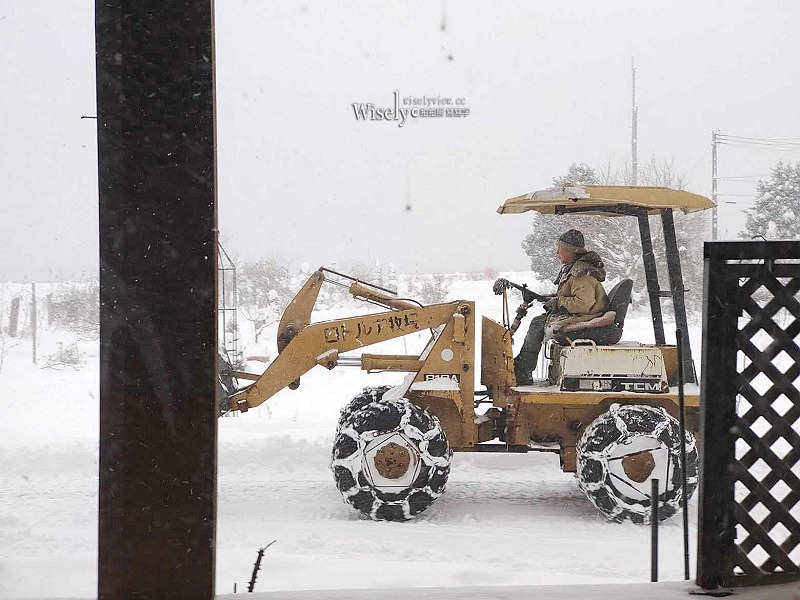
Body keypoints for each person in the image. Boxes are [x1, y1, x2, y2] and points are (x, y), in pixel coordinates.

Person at [513, 229, 610, 385]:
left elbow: (583, 304)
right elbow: (570, 295)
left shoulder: (581, 273)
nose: (557, 252)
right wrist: (550, 298)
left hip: (586, 318)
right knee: (539, 321)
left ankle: (522, 370)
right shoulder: (574, 269)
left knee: (537, 324)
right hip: (583, 315)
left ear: (571, 251)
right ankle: (523, 367)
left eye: (560, 248)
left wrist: (558, 303)